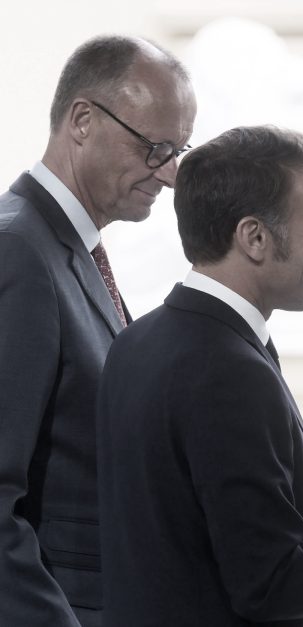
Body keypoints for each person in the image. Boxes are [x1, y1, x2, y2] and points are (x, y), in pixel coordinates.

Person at [95, 125, 303, 627]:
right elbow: (270, 582)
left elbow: (229, 541)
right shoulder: (228, 371)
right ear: (254, 237)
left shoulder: (137, 341)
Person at [0, 36, 196, 627]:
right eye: (155, 148)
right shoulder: (17, 251)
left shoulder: (67, 251)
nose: (170, 174)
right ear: (82, 120)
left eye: (179, 150)